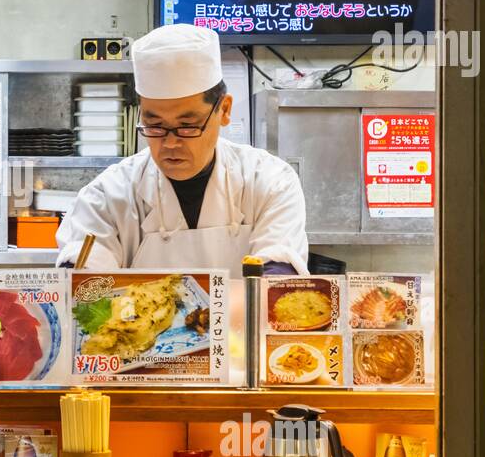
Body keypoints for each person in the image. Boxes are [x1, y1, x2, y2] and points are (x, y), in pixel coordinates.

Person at [56, 23, 308, 272]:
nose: (170, 143)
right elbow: (82, 284)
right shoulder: (108, 196)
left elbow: (278, 285)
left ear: (225, 110)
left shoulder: (270, 181)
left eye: (188, 126)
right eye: (154, 126)